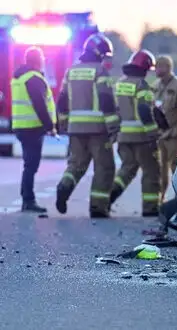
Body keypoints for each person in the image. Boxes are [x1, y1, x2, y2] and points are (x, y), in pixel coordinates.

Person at [55, 33, 119, 218]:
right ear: (99, 52)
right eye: (104, 54)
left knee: (76, 165)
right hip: (98, 130)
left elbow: (62, 100)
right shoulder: (100, 72)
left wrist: (64, 122)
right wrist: (113, 127)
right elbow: (106, 101)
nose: (105, 58)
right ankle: (98, 207)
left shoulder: (71, 71)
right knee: (104, 167)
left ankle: (64, 186)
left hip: (75, 129)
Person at [109, 50, 168, 217]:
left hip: (124, 136)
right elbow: (143, 108)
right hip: (141, 137)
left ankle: (108, 197)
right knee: (151, 171)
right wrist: (152, 132)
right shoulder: (141, 85)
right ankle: (150, 208)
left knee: (127, 170)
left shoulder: (120, 84)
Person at [10, 46, 56, 213]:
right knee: (31, 165)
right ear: (39, 61)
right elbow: (40, 104)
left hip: (21, 126)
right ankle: (28, 200)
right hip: (32, 128)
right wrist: (50, 126)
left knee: (28, 164)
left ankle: (27, 199)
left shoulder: (19, 77)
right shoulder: (34, 78)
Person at [152, 55, 177, 202]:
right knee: (159, 169)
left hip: (175, 136)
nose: (156, 69)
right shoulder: (156, 85)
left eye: (158, 66)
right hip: (160, 135)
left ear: (167, 68)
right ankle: (159, 199)